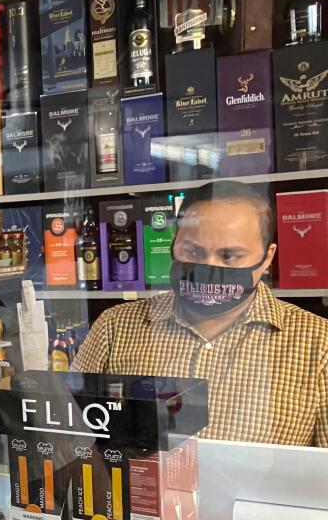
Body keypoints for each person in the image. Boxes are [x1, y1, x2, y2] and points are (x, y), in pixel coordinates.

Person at [73, 180, 328, 446]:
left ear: (267, 258)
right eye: (193, 251)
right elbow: (68, 438)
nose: (207, 267)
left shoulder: (319, 345)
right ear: (173, 245)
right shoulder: (114, 328)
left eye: (229, 256)